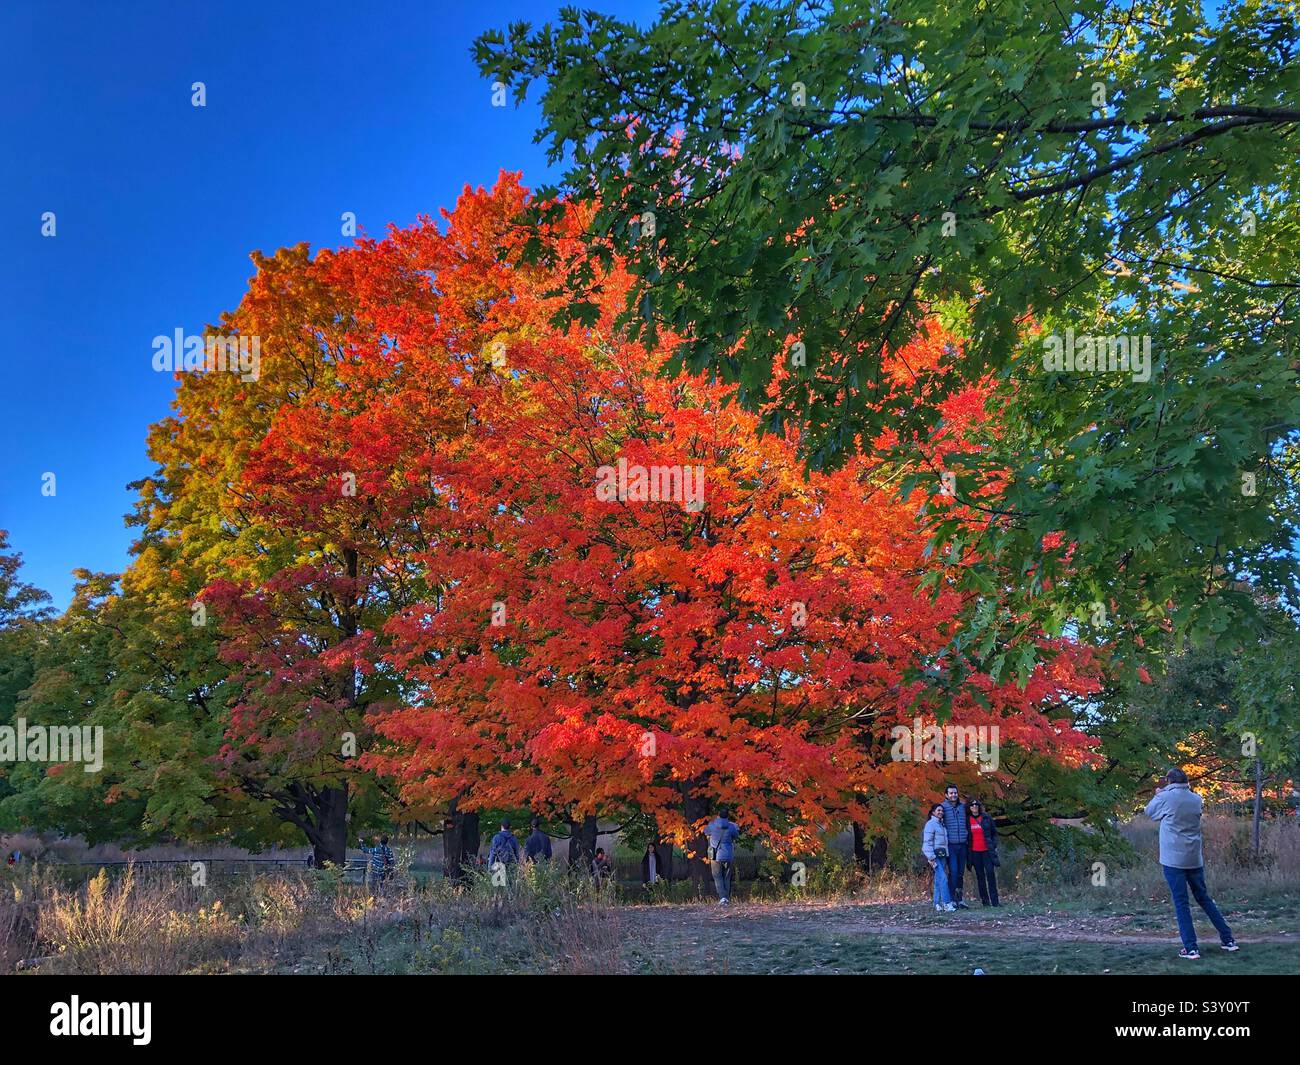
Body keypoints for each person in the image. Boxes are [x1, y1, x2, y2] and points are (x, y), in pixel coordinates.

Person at [1145, 768, 1238, 959]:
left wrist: (1159, 794)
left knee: (1181, 903)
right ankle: (1228, 939)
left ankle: (1191, 948)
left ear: (1169, 781)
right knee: (1203, 898)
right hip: (1194, 857)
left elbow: (1149, 812)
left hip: (1173, 859)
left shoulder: (1166, 797)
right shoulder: (1196, 799)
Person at [940, 784, 970, 908]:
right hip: (951, 845)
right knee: (953, 871)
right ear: (946, 795)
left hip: (963, 844)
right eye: (951, 793)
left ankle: (960, 899)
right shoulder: (942, 808)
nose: (953, 795)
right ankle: (951, 899)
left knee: (960, 873)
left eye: (955, 793)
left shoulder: (963, 807)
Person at [922, 803, 955, 912]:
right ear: (933, 812)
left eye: (942, 811)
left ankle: (936, 904)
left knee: (938, 880)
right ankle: (947, 903)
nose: (941, 812)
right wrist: (931, 857)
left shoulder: (942, 824)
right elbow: (927, 843)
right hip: (934, 856)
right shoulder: (930, 824)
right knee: (944, 878)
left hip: (942, 856)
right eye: (938, 810)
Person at [967, 800, 999, 906]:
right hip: (975, 852)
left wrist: (993, 845)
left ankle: (995, 901)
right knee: (980, 876)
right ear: (970, 807)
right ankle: (985, 901)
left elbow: (994, 833)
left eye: (977, 805)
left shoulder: (986, 817)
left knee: (990, 873)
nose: (975, 806)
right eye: (972, 805)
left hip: (987, 851)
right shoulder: (967, 820)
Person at [705, 809, 740, 905]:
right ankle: (726, 898)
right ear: (727, 816)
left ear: (718, 815)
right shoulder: (731, 826)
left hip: (716, 856)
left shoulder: (712, 825)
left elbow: (706, 832)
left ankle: (723, 898)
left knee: (717, 877)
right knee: (727, 877)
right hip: (728, 855)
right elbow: (736, 835)